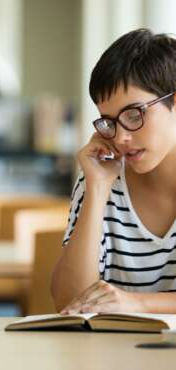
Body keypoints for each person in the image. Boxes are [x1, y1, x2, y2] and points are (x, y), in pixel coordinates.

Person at [52, 28, 176, 314]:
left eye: (134, 115)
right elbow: (70, 303)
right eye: (109, 121)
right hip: (111, 356)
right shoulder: (103, 174)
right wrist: (96, 190)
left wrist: (137, 303)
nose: (120, 137)